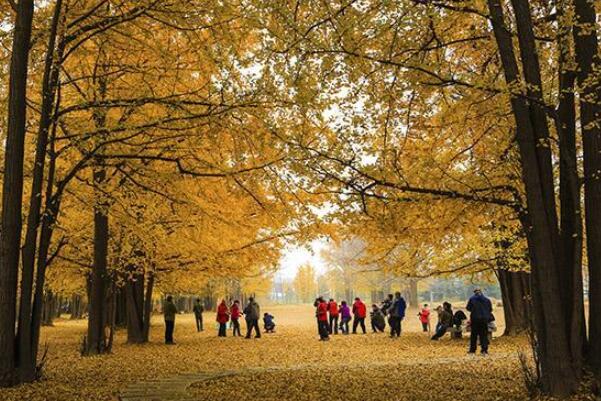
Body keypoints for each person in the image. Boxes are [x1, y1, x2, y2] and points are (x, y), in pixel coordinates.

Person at [467, 289, 493, 354]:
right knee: (484, 335)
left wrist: (474, 310)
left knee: (474, 335)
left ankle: (472, 350)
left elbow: (468, 308)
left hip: (475, 319)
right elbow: (490, 309)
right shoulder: (487, 300)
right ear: (481, 293)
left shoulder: (472, 299)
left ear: (475, 293)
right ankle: (484, 350)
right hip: (484, 320)